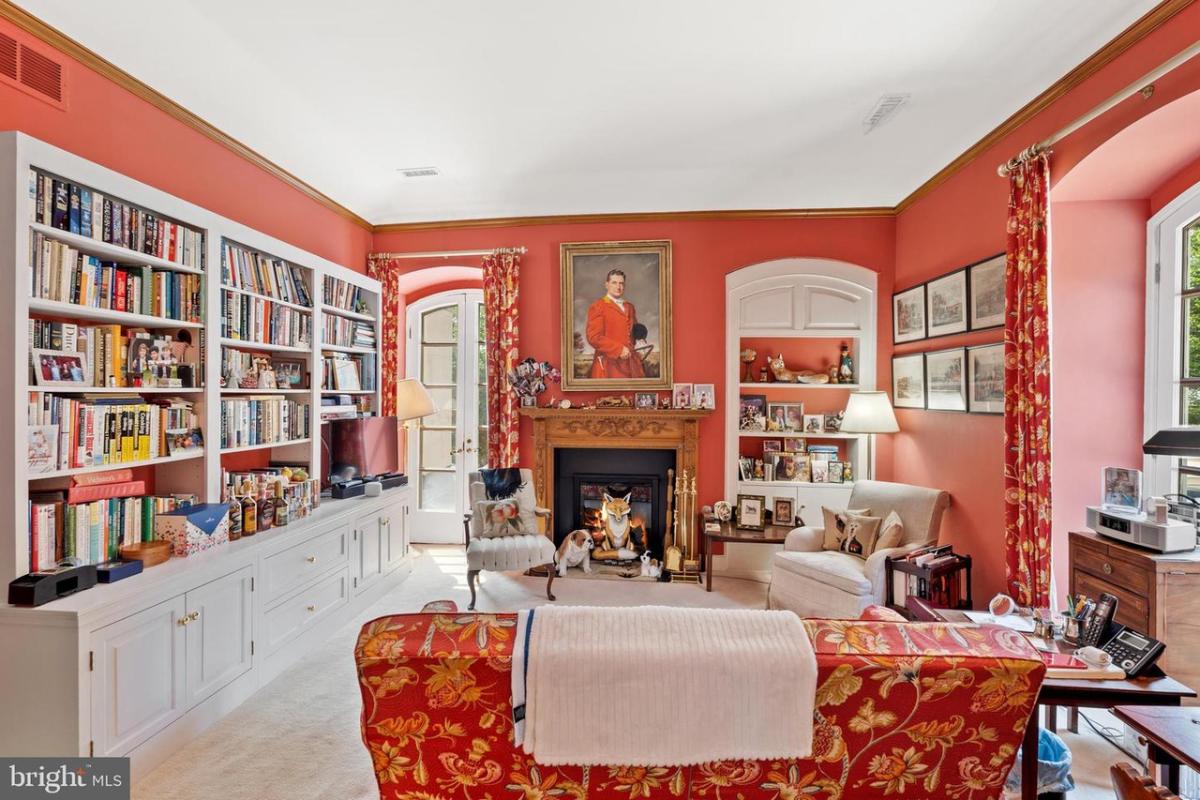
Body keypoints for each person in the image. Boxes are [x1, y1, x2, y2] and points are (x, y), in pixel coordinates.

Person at [585, 269, 645, 379]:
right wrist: (619, 349)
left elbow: (630, 333)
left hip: (630, 364)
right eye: (614, 283)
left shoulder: (629, 307)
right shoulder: (598, 306)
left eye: (621, 283)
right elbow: (594, 337)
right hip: (609, 365)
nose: (618, 287)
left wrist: (639, 333)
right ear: (606, 285)